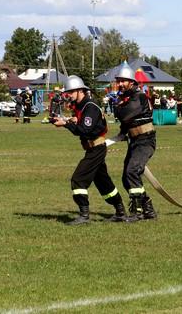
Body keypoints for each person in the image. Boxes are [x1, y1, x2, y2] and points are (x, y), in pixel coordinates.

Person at [53, 75, 126, 225]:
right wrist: (70, 120)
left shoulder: (90, 106)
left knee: (78, 179)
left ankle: (84, 215)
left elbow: (84, 130)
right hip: (93, 148)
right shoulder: (81, 106)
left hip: (96, 149)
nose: (68, 95)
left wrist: (65, 124)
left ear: (80, 91)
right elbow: (83, 125)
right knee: (104, 183)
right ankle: (120, 212)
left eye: (71, 92)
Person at [113, 62, 157, 221]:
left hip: (145, 140)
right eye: (118, 81)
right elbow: (126, 122)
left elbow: (126, 115)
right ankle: (148, 209)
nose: (120, 84)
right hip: (134, 141)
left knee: (132, 171)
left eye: (123, 81)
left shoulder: (139, 96)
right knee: (127, 178)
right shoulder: (127, 98)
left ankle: (136, 212)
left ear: (131, 82)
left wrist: (117, 106)